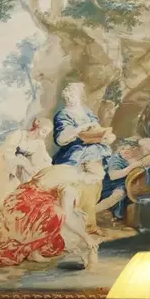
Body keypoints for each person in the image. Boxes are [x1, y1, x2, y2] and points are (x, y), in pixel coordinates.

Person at [51, 81, 114, 234]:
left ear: (79, 96)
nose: (70, 98)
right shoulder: (63, 114)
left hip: (95, 152)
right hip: (75, 155)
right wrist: (79, 130)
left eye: (73, 94)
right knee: (79, 189)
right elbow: (60, 139)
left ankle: (90, 225)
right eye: (68, 95)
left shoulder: (86, 111)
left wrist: (106, 136)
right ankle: (75, 227)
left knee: (94, 188)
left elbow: (98, 129)